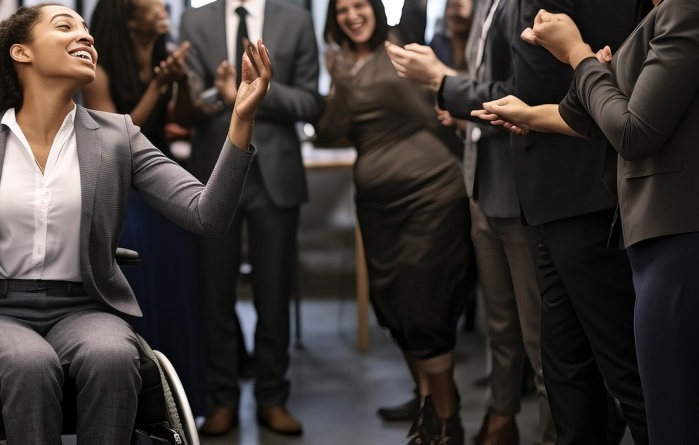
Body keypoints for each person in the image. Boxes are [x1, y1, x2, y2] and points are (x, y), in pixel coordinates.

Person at [0, 4, 270, 443]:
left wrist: (241, 121)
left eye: (86, 29)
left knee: (114, 356)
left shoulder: (119, 137)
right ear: (22, 53)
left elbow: (206, 215)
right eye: (65, 26)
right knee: (30, 363)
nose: (86, 36)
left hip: (85, 306)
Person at [476, 2, 699, 442]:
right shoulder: (663, 13)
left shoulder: (692, 9)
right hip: (653, 232)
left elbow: (632, 131)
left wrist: (578, 54)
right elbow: (598, 112)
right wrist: (532, 113)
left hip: (681, 233)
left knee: (672, 409)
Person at [385, 0, 554, 442]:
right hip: (482, 183)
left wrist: (443, 79)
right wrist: (459, 103)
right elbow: (483, 85)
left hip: (522, 189)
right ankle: (502, 417)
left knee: (540, 336)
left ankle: (557, 433)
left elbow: (521, 91)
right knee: (499, 324)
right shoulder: (483, 5)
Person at [318, 0, 475, 441]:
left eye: (360, 5)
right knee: (394, 309)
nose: (353, 15)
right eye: (343, 9)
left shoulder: (401, 44)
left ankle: (446, 420)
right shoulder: (341, 64)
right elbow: (333, 126)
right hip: (378, 208)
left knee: (424, 306)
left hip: (431, 196)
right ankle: (429, 404)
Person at [179, 0, 323, 435]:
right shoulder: (194, 19)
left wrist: (254, 91)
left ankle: (272, 396)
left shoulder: (296, 20)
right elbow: (188, 98)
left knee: (274, 291)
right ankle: (222, 397)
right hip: (215, 171)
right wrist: (215, 96)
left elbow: (311, 101)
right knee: (215, 292)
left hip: (274, 174)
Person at [81, 0, 208, 411]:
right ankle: (138, 403)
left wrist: (181, 82)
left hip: (162, 185)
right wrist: (157, 87)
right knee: (142, 285)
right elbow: (113, 136)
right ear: (128, 17)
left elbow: (185, 118)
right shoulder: (100, 69)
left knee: (176, 288)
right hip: (123, 192)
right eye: (150, 2)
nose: (162, 6)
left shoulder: (163, 58)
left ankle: (179, 401)